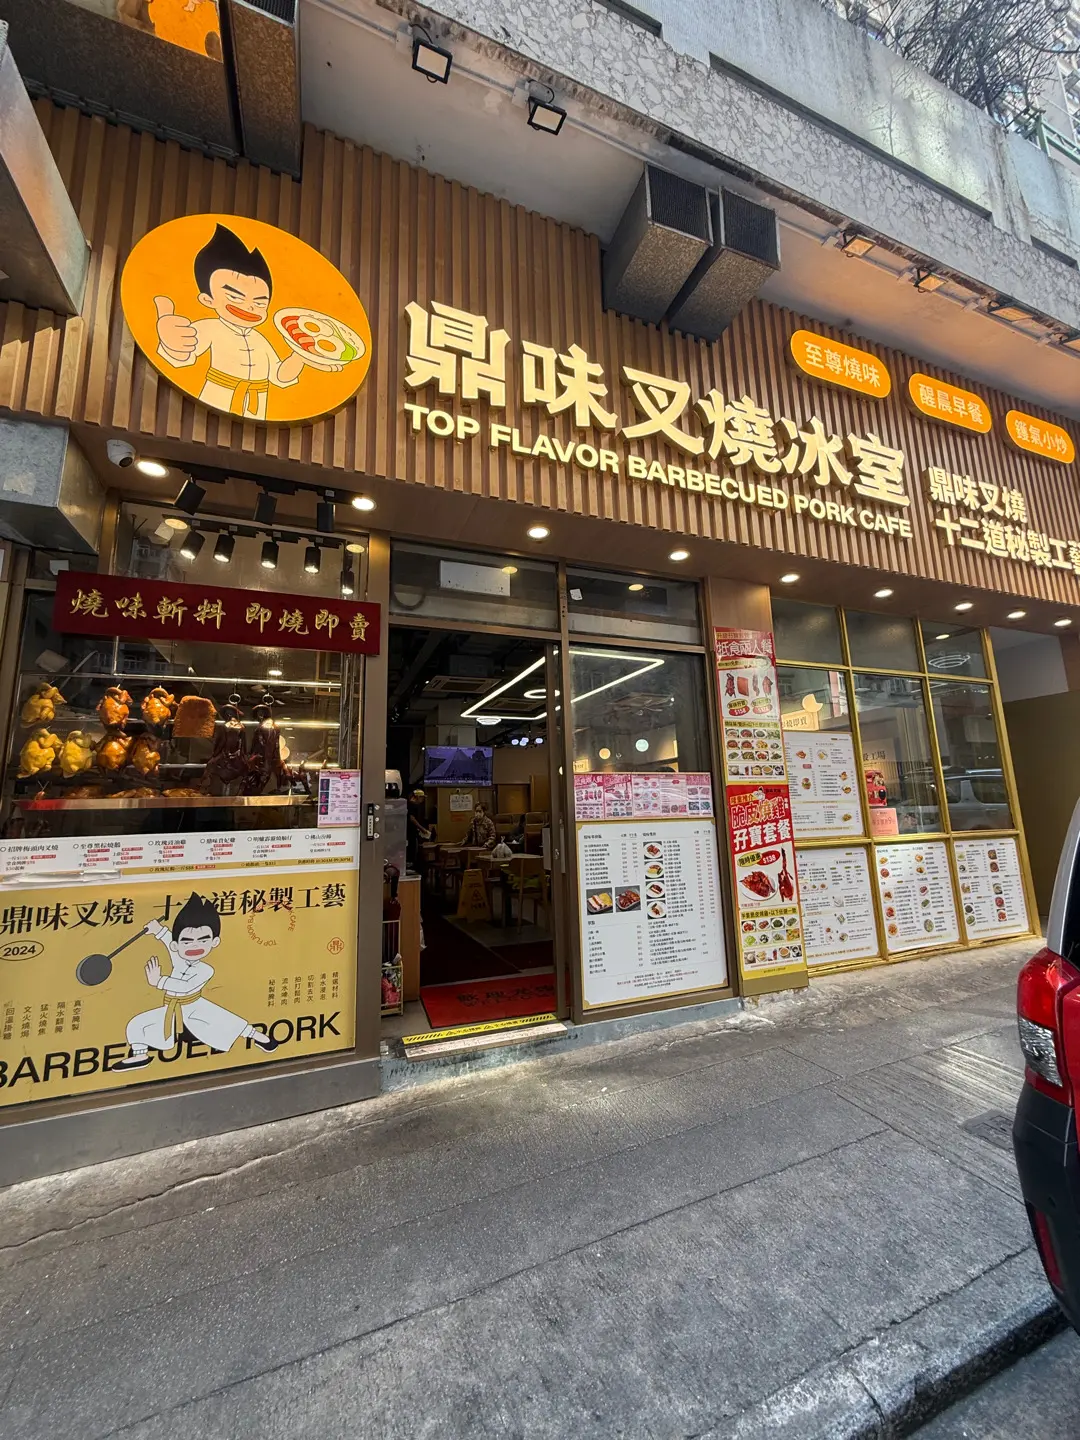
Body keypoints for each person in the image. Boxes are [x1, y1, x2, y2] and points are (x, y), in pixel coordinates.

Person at [153, 223, 338, 419]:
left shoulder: (260, 340)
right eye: (235, 297)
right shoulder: (210, 327)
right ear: (208, 300)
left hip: (258, 406)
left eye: (260, 303)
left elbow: (279, 376)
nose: (249, 307)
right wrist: (168, 334)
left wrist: (300, 355)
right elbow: (183, 354)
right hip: (216, 399)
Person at [115, 892, 278, 1069]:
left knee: (229, 1022)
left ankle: (261, 1038)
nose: (194, 945)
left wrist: (160, 981)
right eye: (187, 941)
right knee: (137, 1024)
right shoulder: (179, 958)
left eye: (203, 940)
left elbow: (186, 986)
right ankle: (140, 1055)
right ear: (176, 945)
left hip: (194, 1006)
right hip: (171, 1008)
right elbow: (170, 943)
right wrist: (159, 931)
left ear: (214, 942)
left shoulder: (205, 969)